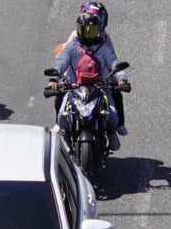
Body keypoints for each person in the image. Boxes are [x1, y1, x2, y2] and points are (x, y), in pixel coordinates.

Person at [49, 11, 126, 151]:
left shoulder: (104, 47)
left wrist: (121, 78)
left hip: (100, 88)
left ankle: (112, 133)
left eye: (93, 31)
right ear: (79, 30)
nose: (89, 35)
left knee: (113, 114)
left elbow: (114, 63)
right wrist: (54, 78)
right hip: (74, 88)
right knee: (62, 115)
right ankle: (66, 135)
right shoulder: (72, 47)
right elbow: (61, 62)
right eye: (87, 31)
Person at [62, 0, 129, 136]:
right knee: (61, 96)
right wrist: (61, 77)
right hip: (77, 79)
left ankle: (119, 125)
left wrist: (118, 77)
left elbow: (112, 59)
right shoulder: (75, 36)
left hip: (100, 79)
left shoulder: (105, 38)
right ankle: (60, 124)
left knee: (116, 95)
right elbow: (65, 56)